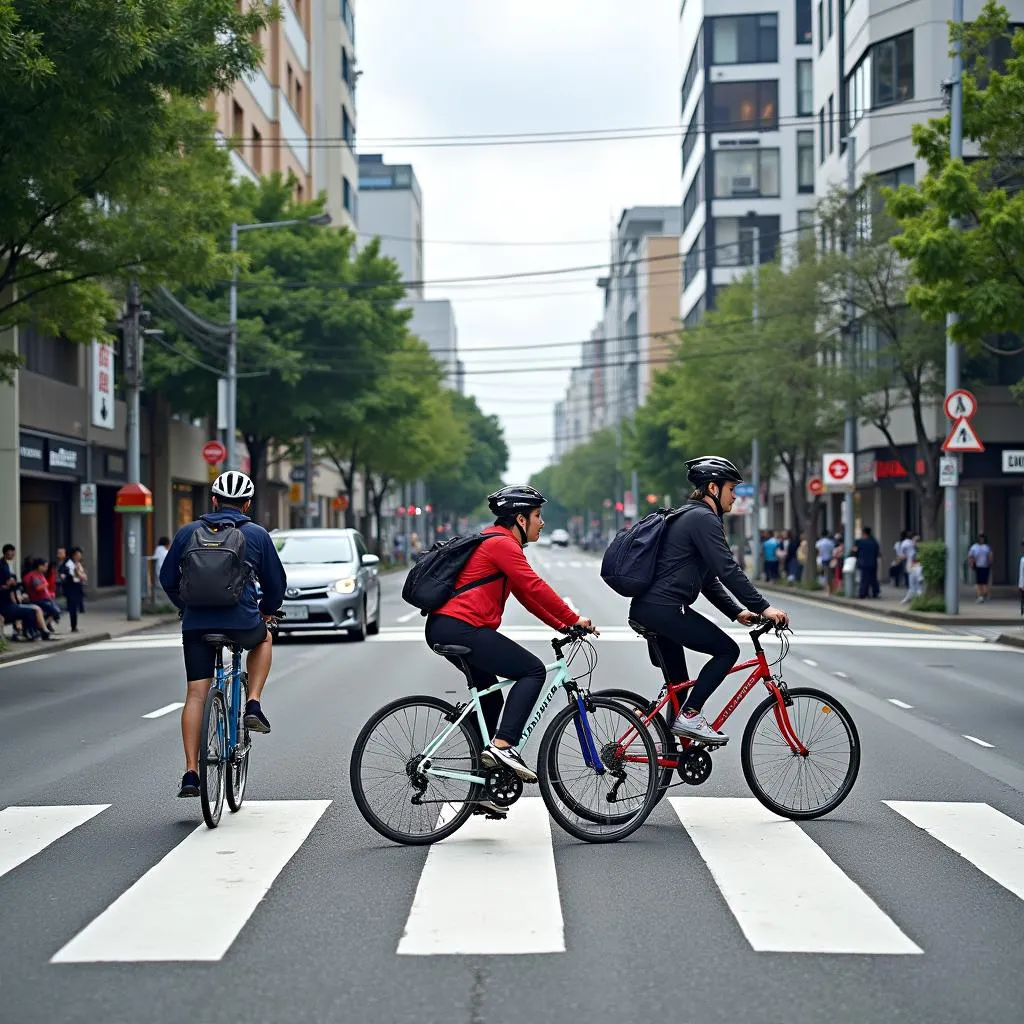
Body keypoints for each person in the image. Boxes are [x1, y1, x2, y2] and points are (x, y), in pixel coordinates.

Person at [425, 484, 596, 818]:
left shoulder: (497, 543)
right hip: (461, 627)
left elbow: (526, 597)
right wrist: (574, 617)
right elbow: (534, 586)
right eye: (537, 516)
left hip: (449, 626)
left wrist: (563, 626)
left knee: (490, 698)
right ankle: (504, 747)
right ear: (520, 518)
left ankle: (482, 787)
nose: (542, 523)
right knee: (530, 671)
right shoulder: (501, 544)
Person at [628, 456, 789, 746]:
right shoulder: (703, 519)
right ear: (713, 488)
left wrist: (737, 612)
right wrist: (763, 606)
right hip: (664, 609)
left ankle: (672, 755)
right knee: (727, 650)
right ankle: (690, 715)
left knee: (678, 683)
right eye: (731, 489)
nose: (735, 496)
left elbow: (707, 578)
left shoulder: (692, 516)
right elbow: (727, 568)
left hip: (650, 609)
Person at [160, 470, 287, 799]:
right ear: (247, 505)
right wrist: (267, 610)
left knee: (195, 696)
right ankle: (254, 704)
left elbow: (167, 578)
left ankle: (191, 772)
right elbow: (276, 585)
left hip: (197, 625)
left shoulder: (188, 532)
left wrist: (185, 606)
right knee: (264, 639)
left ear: (213, 500)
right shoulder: (257, 535)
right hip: (241, 621)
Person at [0, 544, 52, 641]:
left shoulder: (6, 564)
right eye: (13, 552)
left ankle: (35, 631)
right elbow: (8, 585)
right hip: (6, 604)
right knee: (33, 610)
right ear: (8, 552)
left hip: (12, 601)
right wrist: (8, 585)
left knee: (34, 608)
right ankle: (32, 632)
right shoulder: (2, 566)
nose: (14, 554)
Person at [23, 558, 61, 630]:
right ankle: (42, 627)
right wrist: (45, 584)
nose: (46, 568)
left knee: (56, 610)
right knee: (55, 611)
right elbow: (37, 588)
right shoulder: (33, 575)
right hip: (38, 599)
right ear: (40, 566)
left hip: (45, 598)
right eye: (45, 566)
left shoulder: (40, 574)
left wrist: (50, 594)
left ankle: (44, 626)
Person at [61, 547, 87, 631]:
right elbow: (71, 575)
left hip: (77, 586)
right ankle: (73, 626)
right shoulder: (69, 563)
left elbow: (83, 575)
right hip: (71, 586)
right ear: (74, 555)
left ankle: (74, 625)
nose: (79, 557)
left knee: (75, 606)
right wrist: (79, 575)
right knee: (72, 607)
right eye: (78, 555)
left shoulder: (77, 563)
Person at [854, 526, 881, 599]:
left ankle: (863, 594)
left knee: (864, 579)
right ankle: (875, 593)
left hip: (863, 563)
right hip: (873, 563)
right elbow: (878, 553)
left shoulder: (860, 542)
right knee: (873, 579)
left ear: (864, 533)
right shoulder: (874, 542)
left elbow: (855, 551)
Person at [968, 533, 994, 603]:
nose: (981, 540)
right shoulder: (974, 547)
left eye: (982, 538)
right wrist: (971, 564)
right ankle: (980, 596)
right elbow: (971, 556)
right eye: (980, 538)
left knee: (985, 582)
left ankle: (985, 594)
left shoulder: (987, 547)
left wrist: (990, 563)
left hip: (985, 566)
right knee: (979, 582)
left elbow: (990, 555)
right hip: (978, 566)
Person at [815, 530, 835, 595]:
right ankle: (829, 589)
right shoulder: (831, 542)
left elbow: (817, 551)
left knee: (823, 574)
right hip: (830, 559)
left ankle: (826, 589)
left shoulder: (819, 543)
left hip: (821, 559)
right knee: (829, 575)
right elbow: (833, 551)